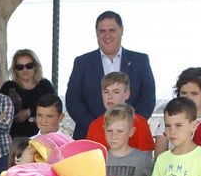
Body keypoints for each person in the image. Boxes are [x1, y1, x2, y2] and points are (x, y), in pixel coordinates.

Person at [65, 11, 156, 140]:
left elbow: (148, 99)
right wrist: (97, 127)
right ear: (96, 33)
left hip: (130, 138)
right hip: (90, 136)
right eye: (102, 31)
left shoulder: (140, 61)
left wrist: (125, 127)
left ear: (122, 30)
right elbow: (73, 101)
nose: (107, 35)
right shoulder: (82, 62)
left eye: (112, 30)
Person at [86, 72, 155, 150]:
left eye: (116, 92)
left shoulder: (140, 122)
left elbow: (146, 158)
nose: (110, 96)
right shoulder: (94, 125)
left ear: (127, 94)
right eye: (106, 92)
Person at [0, 49, 55, 140]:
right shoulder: (8, 87)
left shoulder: (45, 86)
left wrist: (29, 111)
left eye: (29, 66)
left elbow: (53, 108)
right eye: (20, 67)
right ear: (15, 69)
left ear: (36, 67)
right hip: (14, 138)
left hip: (43, 136)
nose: (25, 70)